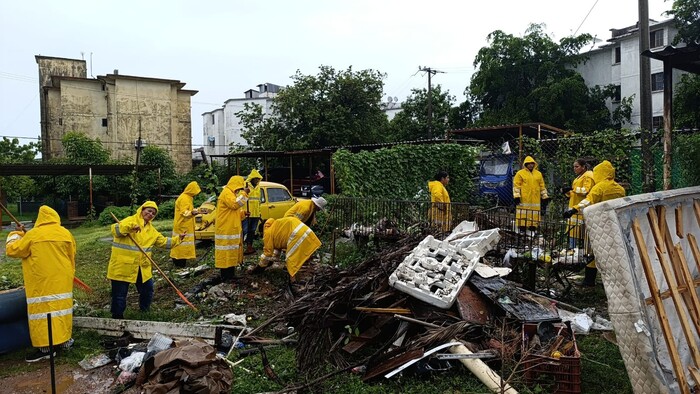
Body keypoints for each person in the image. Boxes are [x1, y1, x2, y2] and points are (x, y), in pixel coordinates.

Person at [5, 206, 76, 362]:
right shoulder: (65, 233)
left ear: (40, 219)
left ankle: (46, 349)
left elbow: (13, 250)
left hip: (41, 283)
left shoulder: (34, 235)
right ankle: (65, 342)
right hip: (62, 280)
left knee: (42, 314)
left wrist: (16, 233)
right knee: (61, 311)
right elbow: (72, 255)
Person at [108, 201, 183, 319]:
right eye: (149, 211)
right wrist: (130, 228)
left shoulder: (151, 230)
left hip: (142, 266)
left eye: (153, 213)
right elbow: (115, 230)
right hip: (122, 265)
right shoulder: (131, 220)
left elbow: (163, 242)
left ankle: (145, 312)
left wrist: (178, 239)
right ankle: (117, 316)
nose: (151, 214)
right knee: (119, 294)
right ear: (142, 210)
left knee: (148, 290)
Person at [563, 160, 626, 287]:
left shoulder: (599, 187)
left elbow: (588, 200)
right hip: (613, 224)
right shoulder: (620, 189)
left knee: (592, 251)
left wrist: (574, 209)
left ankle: (589, 280)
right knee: (611, 252)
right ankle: (612, 281)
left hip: (597, 223)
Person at [249, 217, 321, 280]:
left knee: (291, 260)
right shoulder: (275, 226)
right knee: (303, 255)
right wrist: (272, 260)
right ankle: (305, 271)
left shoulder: (267, 232)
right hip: (306, 231)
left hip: (296, 235)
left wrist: (259, 268)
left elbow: (267, 254)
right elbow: (277, 248)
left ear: (262, 231)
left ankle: (293, 281)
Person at [215, 175, 249, 281]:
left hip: (230, 229)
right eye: (239, 187)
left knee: (231, 252)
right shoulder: (226, 193)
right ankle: (226, 276)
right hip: (226, 229)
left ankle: (230, 274)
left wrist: (243, 213)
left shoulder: (231, 194)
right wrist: (245, 193)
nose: (239, 190)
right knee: (226, 253)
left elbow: (234, 212)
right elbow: (235, 205)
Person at [170, 181, 206, 267]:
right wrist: (193, 212)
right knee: (181, 244)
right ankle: (179, 262)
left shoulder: (187, 197)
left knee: (182, 245)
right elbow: (184, 212)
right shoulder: (184, 198)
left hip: (184, 224)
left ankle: (180, 261)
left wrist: (194, 211)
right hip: (182, 225)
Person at [563, 158, 595, 249]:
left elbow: (586, 190)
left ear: (583, 167)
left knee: (581, 232)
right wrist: (567, 192)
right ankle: (572, 251)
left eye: (577, 166)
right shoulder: (579, 177)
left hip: (581, 208)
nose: (574, 168)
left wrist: (572, 189)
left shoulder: (588, 176)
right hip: (574, 207)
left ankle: (580, 251)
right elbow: (575, 192)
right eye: (574, 167)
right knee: (573, 231)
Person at [513, 156, 549, 233]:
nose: (530, 165)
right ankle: (522, 227)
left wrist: (545, 196)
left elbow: (542, 186)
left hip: (535, 198)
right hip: (524, 198)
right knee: (523, 213)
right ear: (525, 164)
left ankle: (533, 227)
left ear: (534, 164)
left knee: (534, 213)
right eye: (528, 164)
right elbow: (516, 186)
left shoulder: (538, 174)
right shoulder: (520, 173)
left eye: (532, 163)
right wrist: (516, 196)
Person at [242, 169, 263, 255]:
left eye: (258, 179)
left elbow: (258, 201)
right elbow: (241, 199)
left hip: (255, 214)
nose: (258, 180)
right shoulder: (245, 186)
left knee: (252, 231)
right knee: (245, 231)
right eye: (256, 179)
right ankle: (242, 247)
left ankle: (249, 246)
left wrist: (259, 212)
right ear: (252, 178)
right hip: (247, 213)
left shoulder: (258, 188)